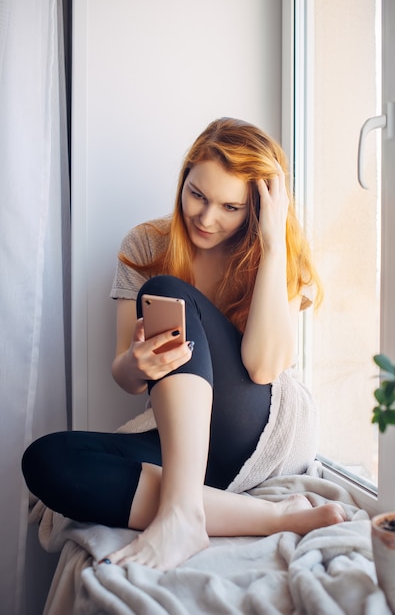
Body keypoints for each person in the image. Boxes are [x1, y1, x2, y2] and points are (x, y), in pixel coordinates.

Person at [22, 117, 345, 571]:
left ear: (255, 207)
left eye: (230, 207)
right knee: (46, 461)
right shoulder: (146, 242)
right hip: (185, 440)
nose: (207, 218)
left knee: (170, 289)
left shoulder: (274, 254)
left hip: (260, 429)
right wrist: (137, 365)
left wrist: (273, 246)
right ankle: (268, 516)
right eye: (197, 195)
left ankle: (179, 514)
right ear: (184, 179)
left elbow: (264, 369)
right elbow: (126, 377)